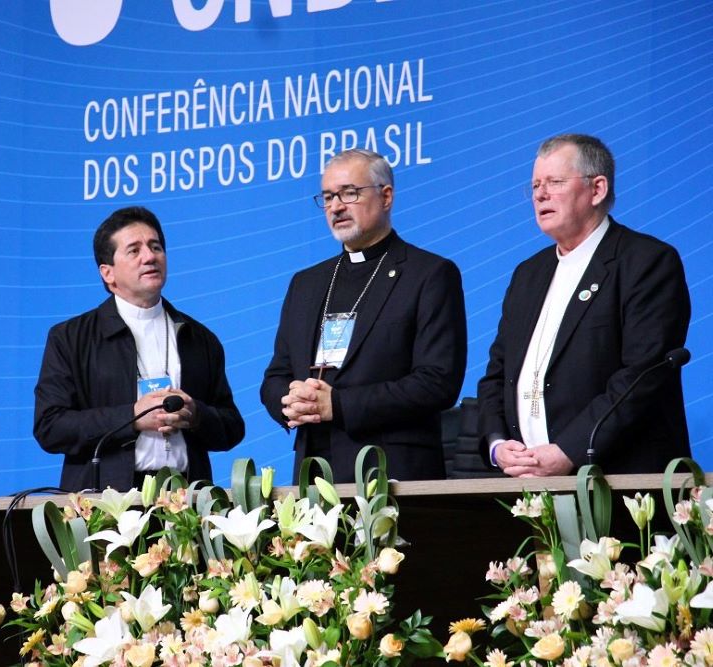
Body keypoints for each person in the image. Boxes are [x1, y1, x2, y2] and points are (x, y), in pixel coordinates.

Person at [477, 133, 691, 476]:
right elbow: (497, 377)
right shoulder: (528, 275)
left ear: (598, 189)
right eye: (534, 186)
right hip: (525, 486)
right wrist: (498, 445)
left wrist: (570, 450)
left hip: (619, 482)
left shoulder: (646, 262)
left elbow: (642, 376)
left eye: (555, 182)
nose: (540, 194)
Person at [261, 148, 467, 483]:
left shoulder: (429, 274)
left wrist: (339, 405)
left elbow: (437, 382)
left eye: (349, 193)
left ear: (386, 197)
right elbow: (275, 375)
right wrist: (290, 401)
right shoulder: (306, 284)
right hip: (314, 477)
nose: (336, 206)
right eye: (328, 197)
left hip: (393, 474)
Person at [34, 206, 244, 491]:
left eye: (155, 246)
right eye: (134, 250)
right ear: (108, 273)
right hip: (103, 503)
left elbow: (232, 427)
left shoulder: (199, 338)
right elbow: (51, 427)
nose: (150, 256)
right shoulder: (70, 338)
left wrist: (196, 415)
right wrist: (132, 417)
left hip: (184, 501)